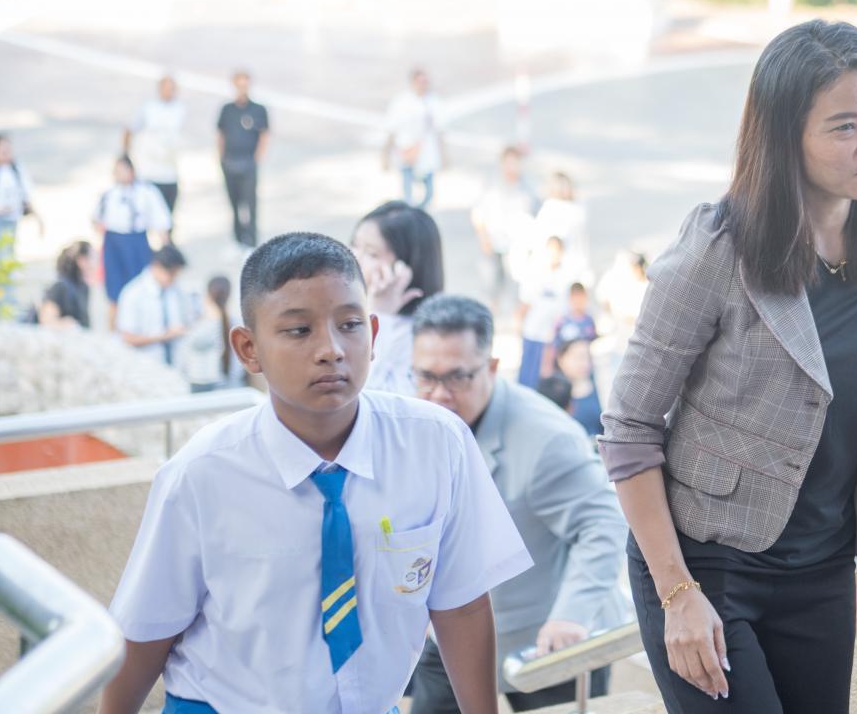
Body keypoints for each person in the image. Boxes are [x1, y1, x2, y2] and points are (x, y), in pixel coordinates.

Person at [600, 20, 857, 714]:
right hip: (705, 567)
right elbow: (628, 429)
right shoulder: (719, 247)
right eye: (844, 127)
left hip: (823, 572)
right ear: (785, 137)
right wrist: (676, 594)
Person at [99, 233, 532, 714]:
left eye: (349, 325)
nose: (331, 349)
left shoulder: (436, 444)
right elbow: (145, 633)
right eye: (298, 330)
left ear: (373, 334)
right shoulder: (201, 475)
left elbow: (463, 603)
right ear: (248, 348)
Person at [409, 295, 628, 713]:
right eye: (426, 377)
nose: (439, 394)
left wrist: (570, 616)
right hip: (449, 631)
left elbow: (604, 525)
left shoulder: (546, 437)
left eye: (457, 377)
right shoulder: (412, 420)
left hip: (546, 639)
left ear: (491, 367)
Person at [351, 200, 444, 396]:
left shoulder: (422, 338)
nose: (354, 257)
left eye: (372, 253)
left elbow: (364, 398)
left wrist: (380, 315)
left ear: (405, 269)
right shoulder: (346, 312)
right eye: (355, 245)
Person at [92, 155, 172, 328]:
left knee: (141, 288)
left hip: (137, 242)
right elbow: (96, 220)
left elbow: (160, 220)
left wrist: (165, 248)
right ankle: (114, 330)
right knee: (114, 293)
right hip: (113, 243)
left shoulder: (146, 192)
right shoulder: (109, 194)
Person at [471, 146, 539, 314]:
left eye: (515, 163)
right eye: (508, 163)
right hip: (493, 242)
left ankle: (516, 322)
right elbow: (478, 213)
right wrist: (483, 237)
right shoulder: (492, 185)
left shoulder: (528, 188)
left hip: (517, 246)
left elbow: (536, 217)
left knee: (518, 289)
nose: (511, 167)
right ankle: (490, 318)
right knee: (490, 288)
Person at [123, 75, 185, 231]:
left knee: (168, 215)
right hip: (148, 171)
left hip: (170, 171)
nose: (169, 92)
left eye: (172, 88)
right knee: (146, 214)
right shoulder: (148, 108)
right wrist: (127, 156)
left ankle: (166, 242)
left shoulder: (180, 109)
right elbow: (129, 129)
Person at [516, 236, 577, 389]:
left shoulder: (567, 276)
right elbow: (525, 303)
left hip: (554, 336)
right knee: (529, 376)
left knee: (550, 378)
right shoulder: (535, 273)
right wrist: (518, 324)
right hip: (533, 333)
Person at [217, 70, 269, 248]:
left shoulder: (258, 110)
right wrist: (221, 158)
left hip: (248, 163)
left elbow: (264, 135)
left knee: (250, 204)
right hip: (230, 163)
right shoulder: (227, 110)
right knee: (234, 203)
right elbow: (221, 133)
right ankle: (237, 239)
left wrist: (256, 158)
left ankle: (251, 241)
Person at [116, 245, 191, 367]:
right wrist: (164, 336)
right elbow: (127, 338)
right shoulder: (133, 294)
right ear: (156, 267)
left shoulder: (175, 289)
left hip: (177, 363)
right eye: (171, 274)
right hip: (146, 365)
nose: (173, 279)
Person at [384, 68, 445, 208]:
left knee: (429, 193)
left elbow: (440, 129)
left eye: (425, 82)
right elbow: (391, 129)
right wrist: (386, 155)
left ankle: (419, 213)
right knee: (407, 193)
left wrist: (444, 156)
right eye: (420, 82)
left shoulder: (433, 101)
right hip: (406, 151)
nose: (423, 85)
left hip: (427, 152)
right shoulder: (401, 102)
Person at [0, 134, 42, 314]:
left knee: (7, 260)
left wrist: (38, 219)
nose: (6, 152)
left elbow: (26, 195)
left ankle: (6, 301)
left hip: (11, 221)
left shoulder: (16, 170)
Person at [180, 275, 235, 393]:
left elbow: (184, 361)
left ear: (207, 295)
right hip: (226, 385)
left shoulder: (204, 329)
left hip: (204, 387)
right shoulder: (233, 322)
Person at [533, 172, 589, 277]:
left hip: (572, 261)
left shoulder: (576, 210)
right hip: (555, 264)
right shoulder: (550, 208)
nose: (564, 189)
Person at [39, 240, 96, 328]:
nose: (95, 263)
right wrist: (67, 324)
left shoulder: (84, 288)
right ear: (81, 260)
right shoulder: (60, 287)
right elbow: (47, 321)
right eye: (93, 257)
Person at [554, 337, 602, 438]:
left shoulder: (602, 388)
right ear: (561, 359)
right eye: (577, 357)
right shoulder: (552, 391)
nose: (583, 363)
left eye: (588, 357)